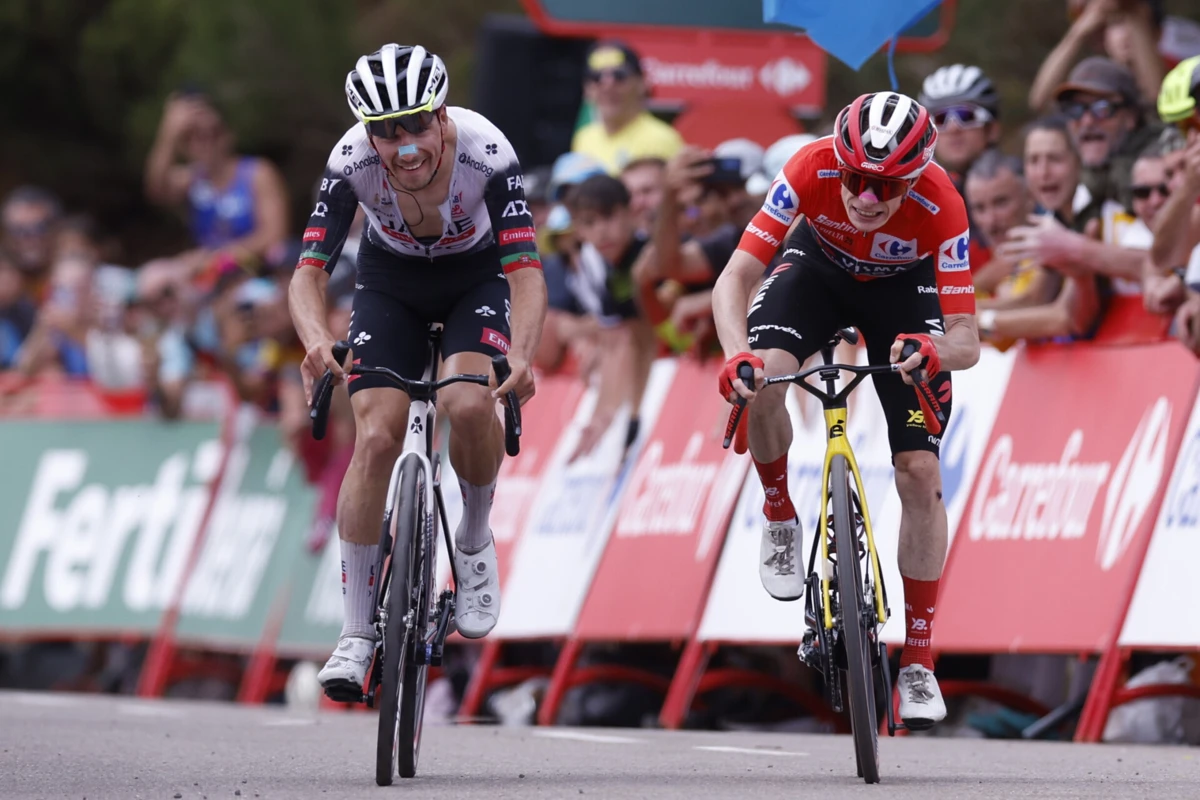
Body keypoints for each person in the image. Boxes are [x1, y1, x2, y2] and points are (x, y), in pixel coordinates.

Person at [711, 92, 982, 730]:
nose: (864, 197)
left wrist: (932, 348)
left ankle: (917, 660)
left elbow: (967, 341)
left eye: (883, 186)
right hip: (817, 272)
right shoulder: (810, 167)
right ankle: (779, 509)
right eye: (855, 178)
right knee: (766, 379)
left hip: (902, 293)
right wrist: (735, 355)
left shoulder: (942, 205)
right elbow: (734, 277)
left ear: (913, 178)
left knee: (919, 470)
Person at [287, 44, 547, 698]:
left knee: (466, 404)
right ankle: (354, 633)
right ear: (368, 133)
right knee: (375, 436)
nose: (403, 146)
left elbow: (526, 273)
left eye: (416, 126)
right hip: (391, 281)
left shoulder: (488, 151)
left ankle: (474, 534)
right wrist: (317, 339)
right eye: (386, 132)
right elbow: (308, 273)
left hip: (475, 276)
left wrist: (522, 351)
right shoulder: (350, 161)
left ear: (441, 117)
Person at [570, 41, 684, 175]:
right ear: (587, 89)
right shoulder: (584, 138)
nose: (608, 86)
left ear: (642, 83)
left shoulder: (662, 139)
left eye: (619, 76)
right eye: (596, 77)